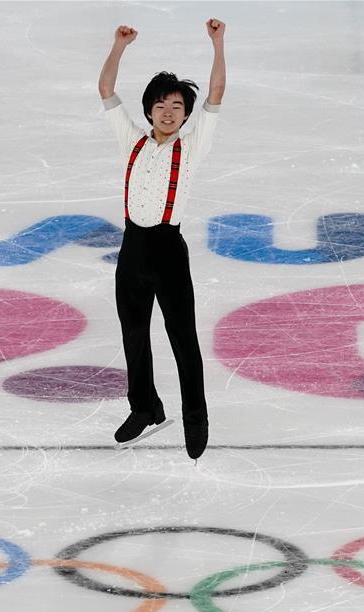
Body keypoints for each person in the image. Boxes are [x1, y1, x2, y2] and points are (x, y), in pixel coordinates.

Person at [98, 19, 226, 460]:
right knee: (133, 335)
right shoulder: (132, 140)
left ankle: (196, 416)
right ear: (149, 109)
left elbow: (215, 96)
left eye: (176, 106)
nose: (168, 112)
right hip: (132, 249)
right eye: (160, 104)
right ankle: (146, 407)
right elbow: (106, 90)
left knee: (181, 337)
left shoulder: (189, 147)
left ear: (185, 115)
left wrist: (217, 44)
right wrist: (119, 48)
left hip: (169, 251)